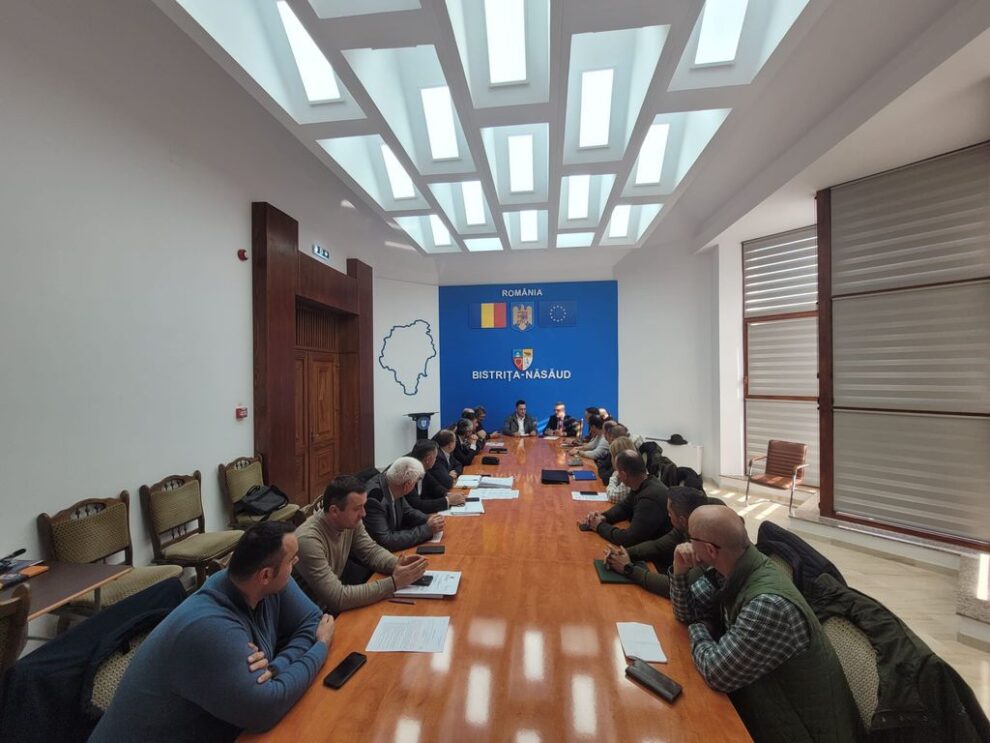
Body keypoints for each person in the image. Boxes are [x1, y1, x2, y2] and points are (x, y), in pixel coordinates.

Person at [90, 521, 334, 743]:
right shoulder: (210, 627)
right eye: (291, 560)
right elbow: (266, 710)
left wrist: (276, 667)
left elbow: (313, 621)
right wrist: (320, 646)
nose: (296, 563)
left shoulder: (262, 583)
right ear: (266, 575)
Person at [671, 506, 863, 743]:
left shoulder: (767, 605)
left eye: (691, 539)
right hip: (768, 705)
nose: (687, 544)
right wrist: (679, 571)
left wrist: (697, 625)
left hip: (799, 731)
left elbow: (716, 672)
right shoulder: (732, 567)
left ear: (710, 549)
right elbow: (686, 612)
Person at [294, 476, 429, 614]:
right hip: (312, 615)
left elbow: (371, 551)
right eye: (357, 508)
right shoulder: (308, 540)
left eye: (363, 506)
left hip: (329, 608)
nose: (363, 514)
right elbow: (338, 598)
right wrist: (394, 582)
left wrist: (398, 564)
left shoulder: (350, 522)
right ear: (334, 511)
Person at [604, 486, 710, 598]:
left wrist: (628, 569)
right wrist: (623, 553)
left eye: (670, 512)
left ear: (682, 520)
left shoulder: (707, 546)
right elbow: (657, 546)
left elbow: (673, 587)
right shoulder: (685, 528)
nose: (668, 515)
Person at [579, 449, 670, 546]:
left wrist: (599, 526)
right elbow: (624, 507)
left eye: (617, 472)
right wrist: (603, 517)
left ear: (623, 475)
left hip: (658, 553)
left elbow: (629, 539)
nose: (617, 475)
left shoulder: (650, 499)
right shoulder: (642, 483)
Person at [364, 457, 445, 551]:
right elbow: (386, 541)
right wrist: (427, 529)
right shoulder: (374, 499)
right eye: (415, 483)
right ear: (407, 486)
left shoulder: (393, 483)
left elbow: (408, 511)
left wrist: (428, 519)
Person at [404, 439, 466, 513]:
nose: (436, 460)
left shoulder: (422, 468)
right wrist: (448, 501)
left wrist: (448, 494)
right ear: (428, 459)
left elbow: (435, 486)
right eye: (435, 457)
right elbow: (417, 505)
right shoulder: (408, 474)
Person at [604, 435, 637, 503]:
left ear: (617, 458)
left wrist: (614, 477)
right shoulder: (630, 467)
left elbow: (612, 496)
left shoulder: (629, 474)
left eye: (612, 456)